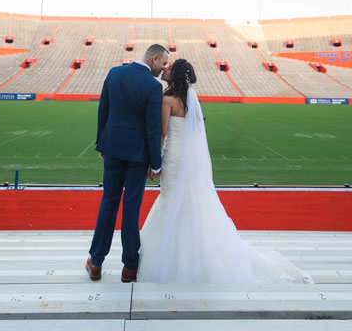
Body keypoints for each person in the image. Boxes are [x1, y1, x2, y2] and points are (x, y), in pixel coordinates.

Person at [138, 59, 313, 284]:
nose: (165, 69)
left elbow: (161, 134)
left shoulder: (167, 100)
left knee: (171, 200)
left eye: (170, 67)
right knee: (190, 202)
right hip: (188, 159)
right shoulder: (190, 99)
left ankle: (171, 259)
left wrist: (155, 165)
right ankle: (198, 255)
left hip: (174, 158)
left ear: (176, 74)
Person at [87, 44, 169, 283]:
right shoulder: (153, 87)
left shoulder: (115, 73)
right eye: (163, 63)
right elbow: (152, 128)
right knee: (131, 208)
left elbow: (103, 110)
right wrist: (156, 163)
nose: (164, 69)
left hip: (112, 148)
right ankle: (129, 267)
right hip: (137, 156)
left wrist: (102, 142)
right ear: (154, 59)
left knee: (109, 202)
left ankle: (96, 262)